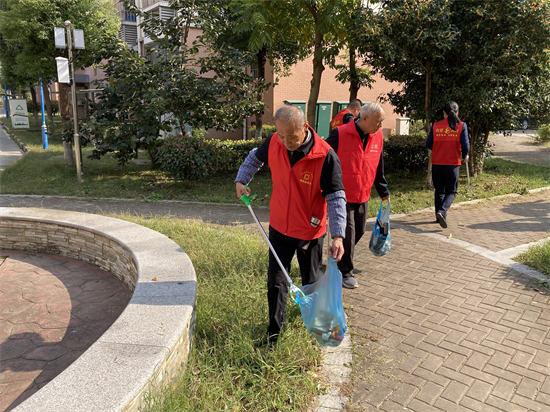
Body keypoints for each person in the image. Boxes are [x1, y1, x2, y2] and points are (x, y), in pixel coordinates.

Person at [235, 105, 347, 344]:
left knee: (311, 283)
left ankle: (317, 327)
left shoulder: (325, 156)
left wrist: (338, 236)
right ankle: (274, 335)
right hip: (278, 229)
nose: (285, 141)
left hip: (309, 233)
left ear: (305, 127)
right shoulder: (275, 141)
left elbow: (336, 197)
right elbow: (254, 157)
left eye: (291, 136)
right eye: (281, 135)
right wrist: (241, 179)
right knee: (275, 283)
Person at [326, 102, 390, 289]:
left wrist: (383, 189)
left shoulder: (377, 136)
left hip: (363, 193)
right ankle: (345, 272)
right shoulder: (341, 133)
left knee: (360, 230)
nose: (381, 125)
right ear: (364, 118)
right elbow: (324, 156)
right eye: (378, 121)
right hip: (343, 193)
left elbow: (378, 164)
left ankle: (337, 254)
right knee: (348, 232)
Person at [426, 101, 470, 228]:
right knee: (451, 191)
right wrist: (465, 155)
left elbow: (429, 144)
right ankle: (442, 212)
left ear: (444, 113)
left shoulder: (435, 126)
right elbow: (465, 145)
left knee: (439, 191)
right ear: (457, 113)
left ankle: (438, 217)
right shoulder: (461, 126)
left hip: (437, 163)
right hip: (452, 164)